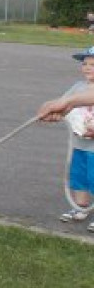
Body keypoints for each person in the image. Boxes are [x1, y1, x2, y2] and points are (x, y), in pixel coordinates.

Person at [45, 46, 94, 228]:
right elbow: (62, 105)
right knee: (79, 177)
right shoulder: (78, 87)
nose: (87, 67)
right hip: (79, 145)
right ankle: (80, 206)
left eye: (93, 64)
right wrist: (54, 112)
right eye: (85, 64)